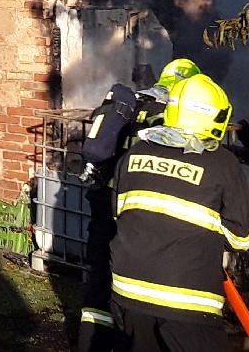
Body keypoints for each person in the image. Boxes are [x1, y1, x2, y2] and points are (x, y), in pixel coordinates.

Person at [109, 74, 249, 352]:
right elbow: (242, 239)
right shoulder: (223, 163)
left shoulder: (134, 153)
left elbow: (122, 216)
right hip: (188, 300)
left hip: (127, 292)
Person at [77, 59, 201, 352]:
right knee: (135, 287)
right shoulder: (173, 114)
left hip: (102, 202)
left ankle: (90, 345)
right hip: (135, 209)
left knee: (98, 283)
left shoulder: (130, 103)